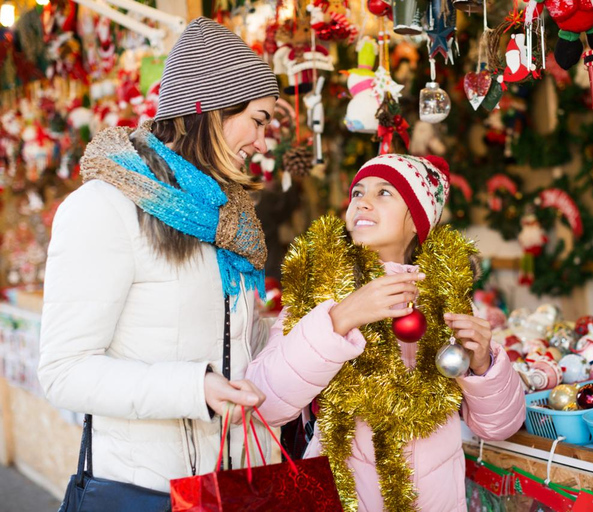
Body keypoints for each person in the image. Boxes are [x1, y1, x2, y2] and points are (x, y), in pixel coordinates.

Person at [38, 17, 276, 493]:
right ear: (209, 108)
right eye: (258, 120)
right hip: (149, 488)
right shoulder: (104, 209)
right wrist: (195, 388)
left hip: (230, 481)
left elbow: (228, 340)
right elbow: (64, 371)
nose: (263, 143)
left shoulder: (224, 218)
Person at [246, 154, 526, 511]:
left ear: (417, 219)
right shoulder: (318, 293)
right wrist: (339, 319)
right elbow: (264, 403)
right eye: (358, 191)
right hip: (343, 495)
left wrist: (484, 364)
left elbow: (500, 426)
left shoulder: (448, 298)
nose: (362, 200)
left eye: (384, 193)